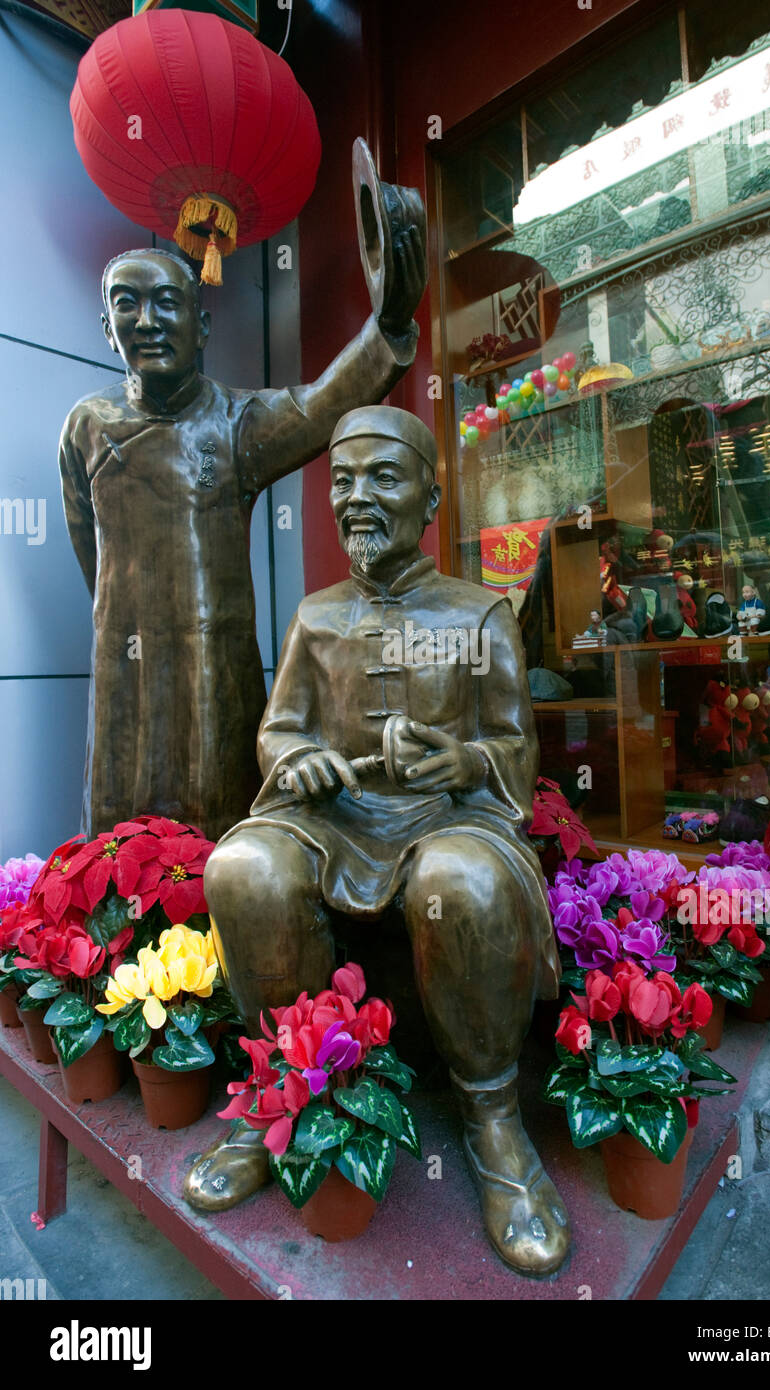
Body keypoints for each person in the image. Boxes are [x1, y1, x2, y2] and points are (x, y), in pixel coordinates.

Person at [185, 405, 569, 1277]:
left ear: (430, 496)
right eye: (343, 480)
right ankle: (277, 1090)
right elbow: (276, 733)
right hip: (336, 820)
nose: (357, 498)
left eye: (382, 478)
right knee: (245, 865)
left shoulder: (479, 616)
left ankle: (492, 1122)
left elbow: (515, 750)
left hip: (446, 818)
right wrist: (303, 757)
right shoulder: (317, 617)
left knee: (462, 880)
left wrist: (463, 757)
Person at [59, 168, 425, 842]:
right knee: (117, 831)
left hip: (213, 658)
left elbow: (322, 404)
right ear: (107, 328)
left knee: (219, 818)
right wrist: (125, 618)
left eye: (167, 303)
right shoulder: (87, 424)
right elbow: (92, 552)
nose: (147, 321)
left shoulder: (237, 423)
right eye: (126, 304)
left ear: (200, 326)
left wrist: (387, 326)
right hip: (124, 659)